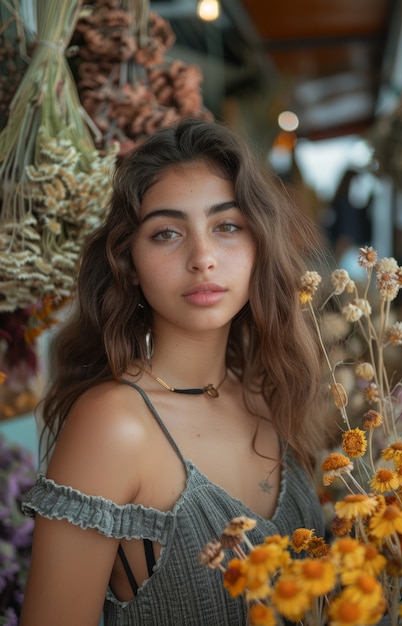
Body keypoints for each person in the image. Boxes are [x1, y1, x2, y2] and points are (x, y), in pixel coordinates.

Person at [20, 117, 327, 626]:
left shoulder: (270, 393)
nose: (203, 258)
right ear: (129, 263)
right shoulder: (115, 424)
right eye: (166, 233)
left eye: (226, 226)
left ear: (259, 246)